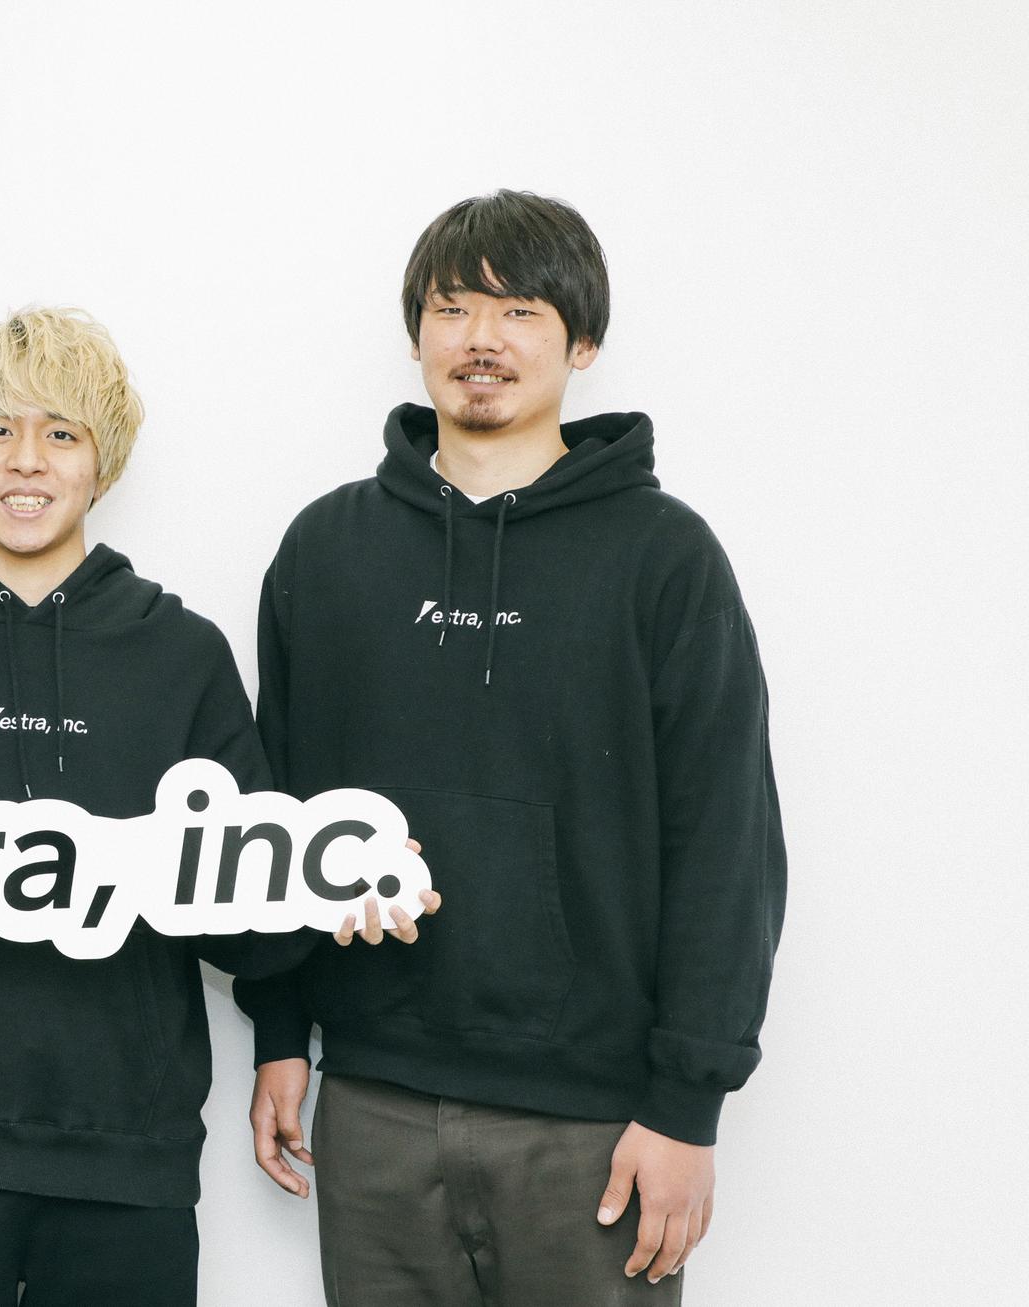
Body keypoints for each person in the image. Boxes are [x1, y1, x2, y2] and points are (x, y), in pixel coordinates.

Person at [0, 306, 433, 1306]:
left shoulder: (181, 654)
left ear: (103, 461)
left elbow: (250, 920)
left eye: (61, 432)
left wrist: (332, 891)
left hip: (128, 1159)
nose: (26, 461)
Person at [237, 190, 786, 1305]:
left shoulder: (663, 557)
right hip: (374, 1101)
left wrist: (687, 1104)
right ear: (415, 335)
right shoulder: (326, 550)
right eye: (452, 308)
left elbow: (726, 841)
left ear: (582, 342)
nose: (480, 338)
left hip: (594, 1122)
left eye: (520, 310)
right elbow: (275, 811)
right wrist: (279, 1031)